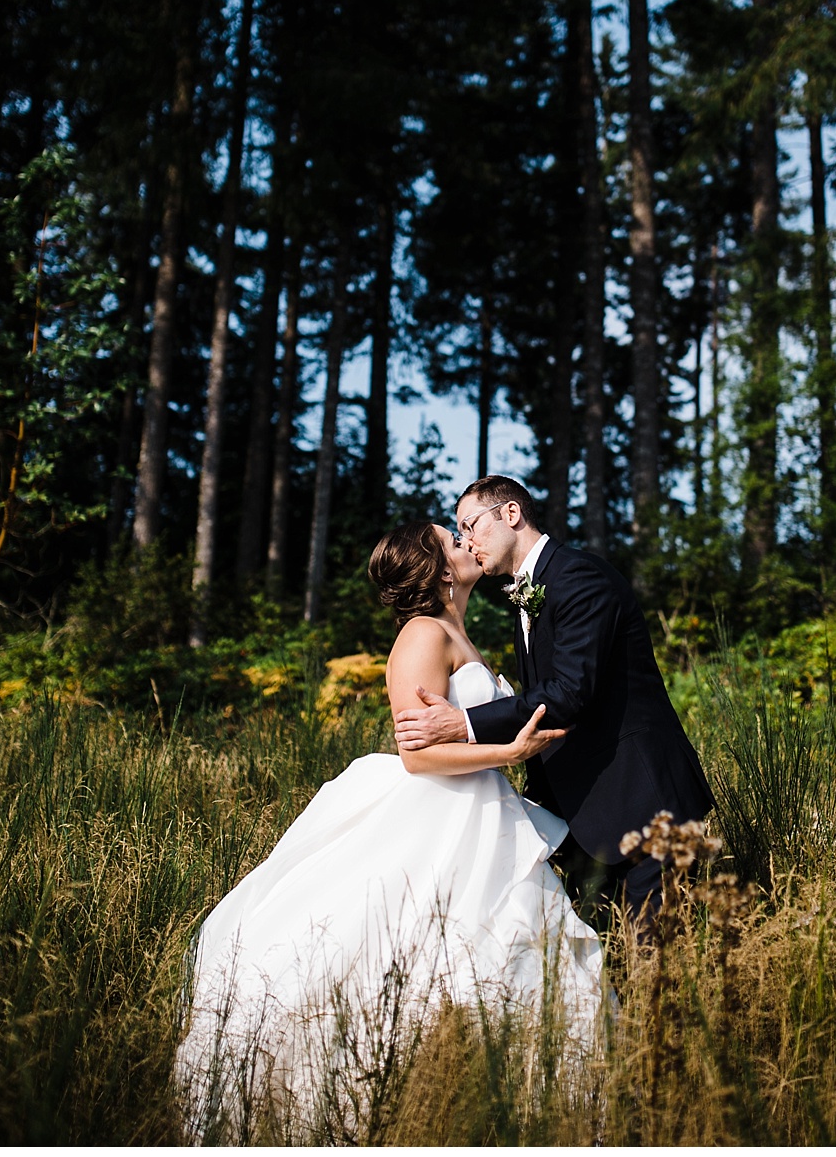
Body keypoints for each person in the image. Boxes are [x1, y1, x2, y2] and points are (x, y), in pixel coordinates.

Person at [174, 520, 605, 1141]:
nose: (466, 544)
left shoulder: (459, 629)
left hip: (482, 809)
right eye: (451, 541)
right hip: (441, 811)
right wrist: (511, 753)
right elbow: (418, 756)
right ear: (434, 568)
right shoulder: (422, 635)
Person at [394, 476, 716, 924]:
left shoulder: (579, 578)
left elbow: (568, 693)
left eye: (469, 525)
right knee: (607, 966)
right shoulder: (524, 601)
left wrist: (463, 725)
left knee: (657, 965)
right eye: (458, 534)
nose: (467, 541)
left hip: (642, 802)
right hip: (583, 818)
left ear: (510, 514)